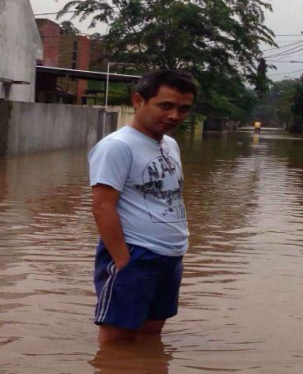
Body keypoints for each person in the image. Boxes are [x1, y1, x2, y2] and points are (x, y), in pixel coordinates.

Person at [88, 70, 196, 344]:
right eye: (165, 106)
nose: (174, 115)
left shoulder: (170, 144)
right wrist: (123, 260)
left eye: (183, 109)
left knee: (151, 335)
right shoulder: (117, 147)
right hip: (136, 255)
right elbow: (102, 207)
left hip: (170, 257)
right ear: (138, 101)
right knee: (117, 339)